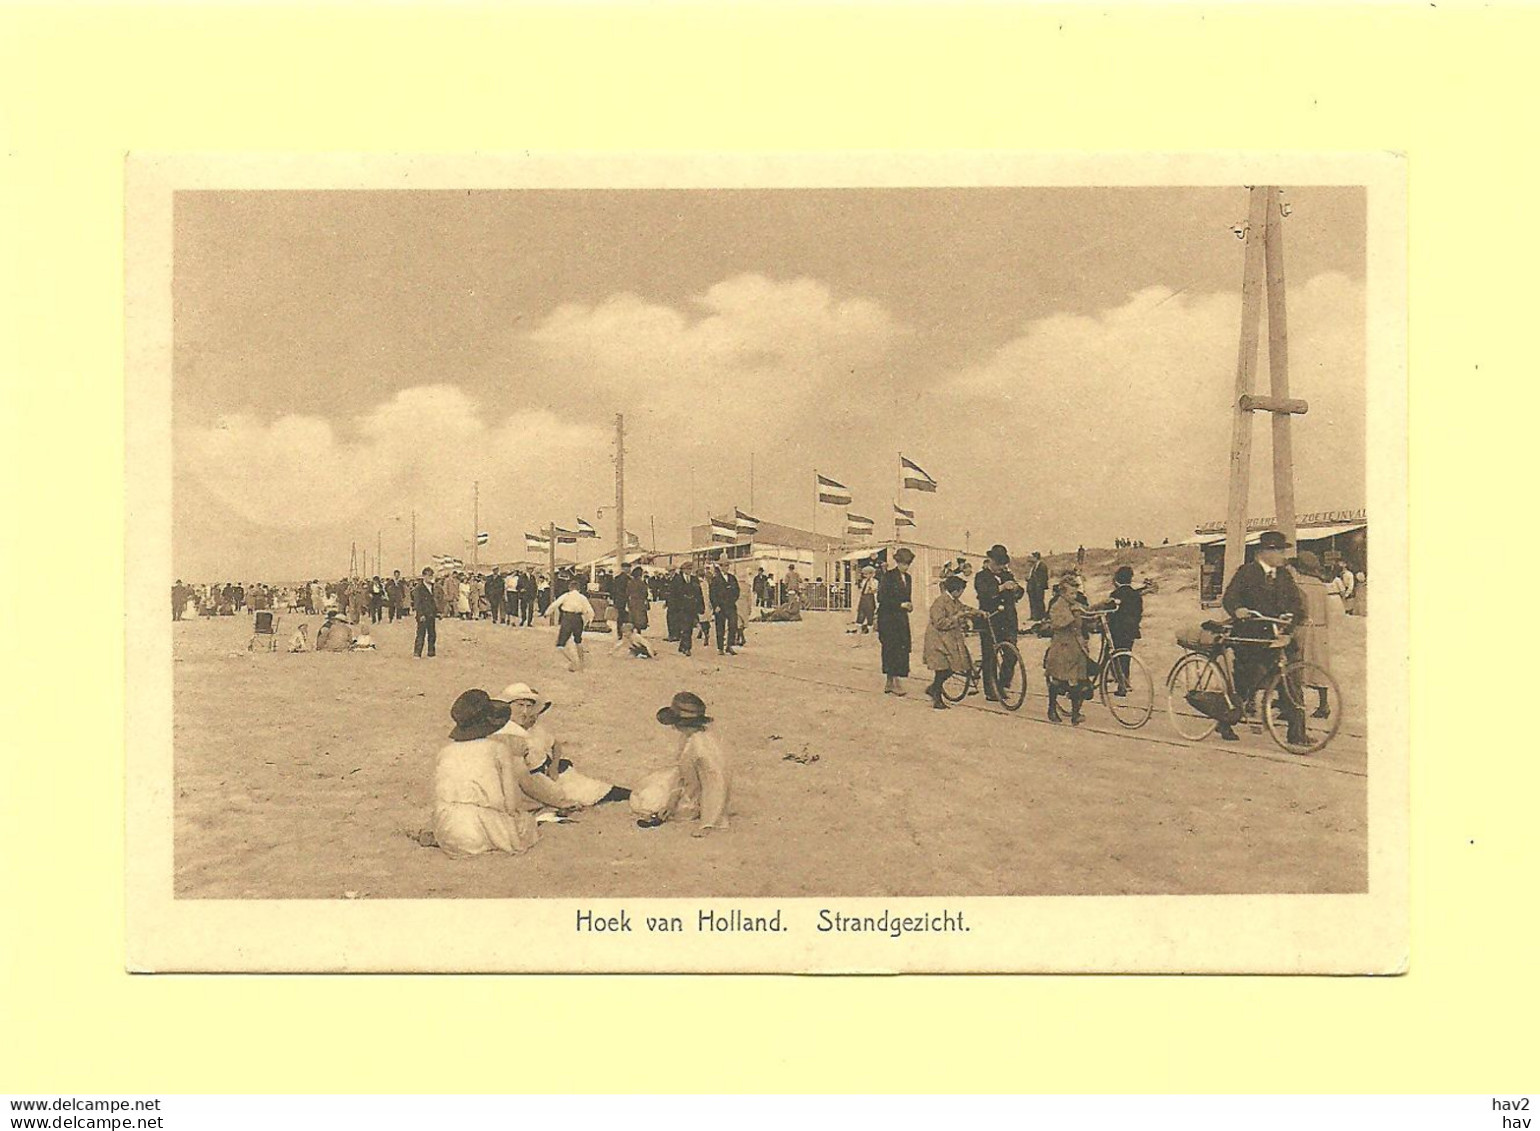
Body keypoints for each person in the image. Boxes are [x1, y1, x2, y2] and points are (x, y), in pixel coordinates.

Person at [423, 690, 541, 859]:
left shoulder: (445, 751)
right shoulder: (498, 749)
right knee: (526, 823)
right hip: (482, 829)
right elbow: (511, 803)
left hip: (447, 827)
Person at [1219, 530, 1307, 744]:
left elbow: (1297, 603)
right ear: (1265, 552)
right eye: (1278, 551)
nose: (1282, 556)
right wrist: (1238, 609)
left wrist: (1292, 616)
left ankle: (1297, 734)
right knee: (1246, 686)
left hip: (1280, 638)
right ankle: (1225, 721)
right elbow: (1229, 598)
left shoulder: (1285, 575)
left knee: (1291, 682)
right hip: (1253, 640)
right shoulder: (1246, 573)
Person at [496, 683, 631, 808]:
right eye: (520, 705)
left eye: (528, 706)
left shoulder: (532, 729)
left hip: (547, 772)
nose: (525, 711)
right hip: (532, 781)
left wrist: (553, 767)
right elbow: (524, 778)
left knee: (595, 788)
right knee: (578, 794)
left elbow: (554, 745)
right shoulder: (507, 733)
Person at [631, 692, 730, 834]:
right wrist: (671, 801)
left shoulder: (701, 748)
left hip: (695, 798)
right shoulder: (690, 738)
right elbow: (682, 774)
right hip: (686, 786)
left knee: (646, 802)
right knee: (646, 790)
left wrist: (708, 823)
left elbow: (716, 784)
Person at [1287, 551, 1334, 719]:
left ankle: (1294, 705)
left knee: (1295, 667)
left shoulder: (1297, 584)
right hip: (1320, 630)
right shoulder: (1322, 586)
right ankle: (1324, 705)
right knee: (1319, 668)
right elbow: (1329, 613)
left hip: (1302, 629)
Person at [974, 544, 1022, 702]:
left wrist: (1015, 589)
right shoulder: (981, 576)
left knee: (1012, 654)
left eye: (1003, 564)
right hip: (990, 620)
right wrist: (1001, 588)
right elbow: (985, 593)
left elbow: (1020, 592)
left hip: (1008, 620)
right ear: (990, 561)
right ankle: (991, 690)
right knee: (990, 657)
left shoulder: (1007, 574)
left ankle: (1002, 684)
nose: (1000, 567)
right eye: (998, 564)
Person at [1044, 576, 1093, 725]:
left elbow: (1086, 614)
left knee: (1076, 681)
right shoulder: (1057, 605)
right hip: (1062, 648)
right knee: (1058, 681)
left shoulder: (1074, 604)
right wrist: (1074, 614)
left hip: (1076, 648)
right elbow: (1059, 623)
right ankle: (1052, 708)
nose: (1074, 596)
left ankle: (1075, 714)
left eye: (1075, 593)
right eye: (1071, 593)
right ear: (1063, 593)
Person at [923, 574, 976, 710]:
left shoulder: (953, 600)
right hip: (937, 640)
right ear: (956, 590)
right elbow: (940, 622)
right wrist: (957, 618)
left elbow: (963, 608)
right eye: (961, 591)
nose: (961, 593)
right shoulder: (940, 602)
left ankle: (933, 688)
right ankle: (937, 698)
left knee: (952, 667)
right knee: (942, 669)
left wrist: (977, 612)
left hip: (947, 639)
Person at [877, 547, 915, 695]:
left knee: (902, 648)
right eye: (903, 563)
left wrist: (909, 605)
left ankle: (896, 678)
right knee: (890, 648)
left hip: (901, 618)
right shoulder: (888, 577)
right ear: (897, 562)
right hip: (888, 618)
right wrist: (900, 605)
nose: (905, 566)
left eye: (908, 564)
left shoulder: (909, 578)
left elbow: (907, 597)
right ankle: (891, 681)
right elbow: (881, 598)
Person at [1104, 565, 1145, 697]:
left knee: (1112, 655)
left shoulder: (1115, 594)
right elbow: (1139, 612)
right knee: (1126, 656)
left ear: (1117, 580)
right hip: (1131, 631)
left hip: (1116, 630)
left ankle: (1119, 682)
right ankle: (1125, 681)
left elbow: (1110, 612)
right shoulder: (1136, 594)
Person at [547, 577, 594, 672]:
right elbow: (589, 610)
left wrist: (547, 613)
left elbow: (554, 605)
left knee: (560, 645)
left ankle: (573, 662)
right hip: (578, 619)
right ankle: (581, 663)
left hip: (567, 618)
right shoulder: (582, 597)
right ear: (579, 589)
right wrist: (590, 620)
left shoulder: (566, 596)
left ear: (570, 588)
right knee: (578, 641)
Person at [666, 561, 703, 655]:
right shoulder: (677, 580)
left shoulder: (694, 579)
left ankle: (683, 646)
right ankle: (686, 648)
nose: (689, 571)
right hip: (681, 608)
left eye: (690, 569)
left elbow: (699, 594)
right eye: (687, 569)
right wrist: (673, 607)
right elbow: (672, 595)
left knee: (689, 628)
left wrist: (701, 606)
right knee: (685, 627)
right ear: (683, 570)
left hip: (692, 608)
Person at [709, 563, 740, 656]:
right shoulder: (715, 579)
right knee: (720, 627)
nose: (725, 568)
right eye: (723, 566)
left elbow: (737, 591)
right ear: (721, 567)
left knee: (733, 625)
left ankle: (729, 646)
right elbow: (712, 594)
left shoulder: (732, 578)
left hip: (730, 606)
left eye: (727, 566)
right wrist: (716, 606)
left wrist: (733, 599)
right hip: (720, 607)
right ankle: (720, 647)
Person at [412, 566, 438, 658]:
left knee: (432, 634)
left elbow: (434, 601)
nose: (430, 577)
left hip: (431, 614)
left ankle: (431, 652)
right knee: (421, 634)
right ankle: (417, 653)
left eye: (431, 575)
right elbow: (417, 603)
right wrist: (420, 614)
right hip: (423, 614)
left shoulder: (433, 587)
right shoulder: (419, 588)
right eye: (429, 575)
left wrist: (437, 612)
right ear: (424, 576)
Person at [854, 564, 879, 633]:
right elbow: (862, 590)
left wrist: (871, 581)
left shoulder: (875, 581)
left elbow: (874, 589)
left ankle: (870, 631)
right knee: (860, 616)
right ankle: (859, 632)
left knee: (870, 616)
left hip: (870, 599)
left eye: (866, 574)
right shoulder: (864, 581)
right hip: (863, 599)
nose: (865, 576)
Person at [1026, 552, 1050, 622]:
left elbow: (1044, 577)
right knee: (1033, 601)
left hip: (1039, 587)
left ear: (1036, 557)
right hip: (1033, 587)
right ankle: (1034, 616)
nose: (1031, 558)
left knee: (1039, 601)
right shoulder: (1034, 566)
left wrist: (1040, 585)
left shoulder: (1042, 565)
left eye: (1032, 557)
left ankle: (1041, 616)